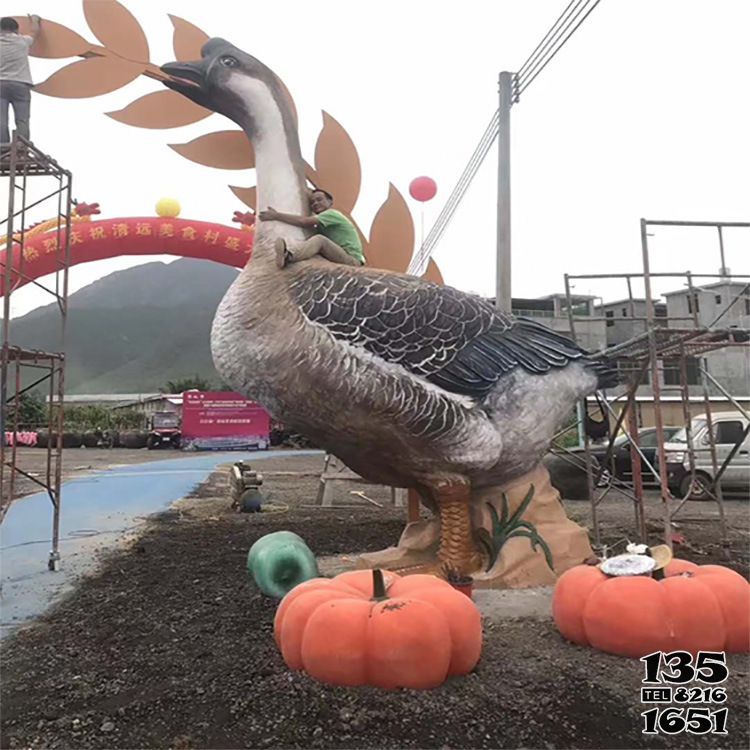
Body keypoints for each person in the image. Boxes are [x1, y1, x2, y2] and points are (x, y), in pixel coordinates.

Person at [259, 188, 366, 270]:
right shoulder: (321, 224)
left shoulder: (332, 214)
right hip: (341, 255)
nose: (315, 203)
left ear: (330, 202)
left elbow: (303, 222)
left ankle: (289, 257)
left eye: (319, 199)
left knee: (319, 239)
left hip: (351, 259)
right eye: (312, 202)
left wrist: (276, 216)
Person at [0, 15, 41, 146]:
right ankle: (22, 147)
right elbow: (34, 32)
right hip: (20, 84)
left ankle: (2, 148)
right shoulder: (23, 41)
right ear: (16, 30)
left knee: (1, 120)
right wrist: (35, 20)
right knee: (22, 119)